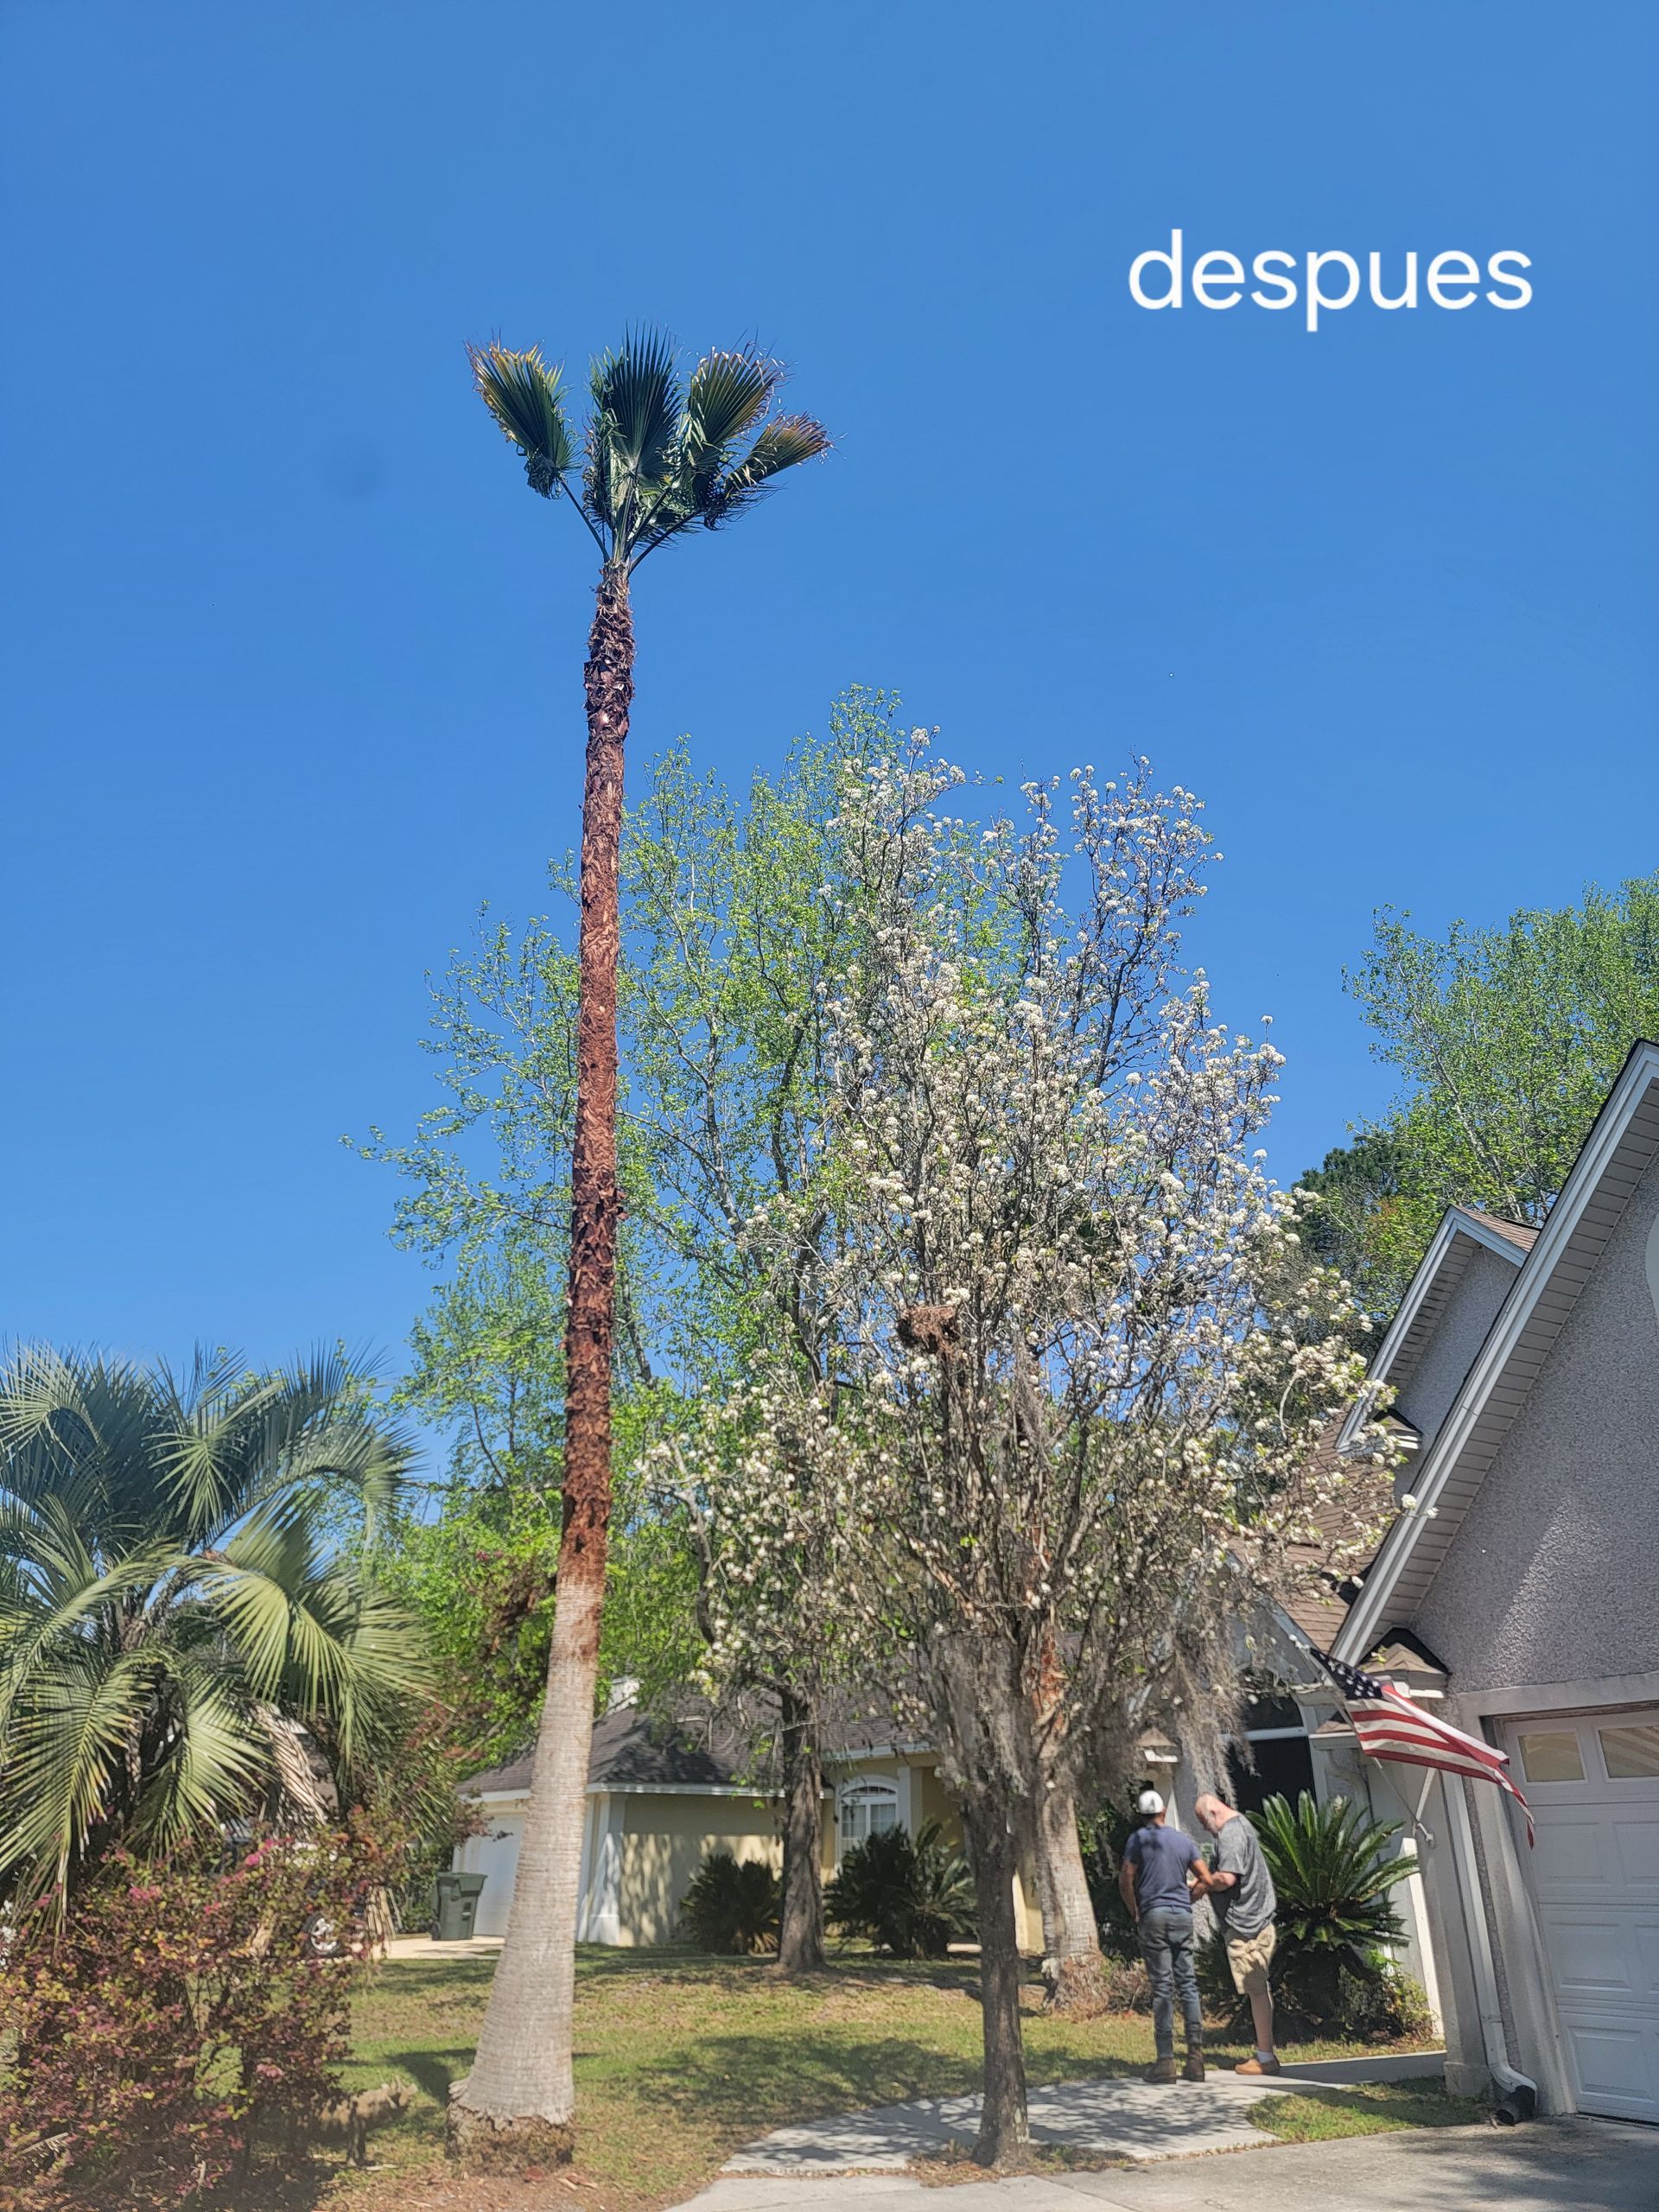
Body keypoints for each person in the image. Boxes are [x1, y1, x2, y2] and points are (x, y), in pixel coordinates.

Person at [1117, 1789, 1205, 2083]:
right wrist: (1189, 1897)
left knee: (1163, 1987)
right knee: (1188, 1984)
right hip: (1182, 1915)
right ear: (1164, 1812)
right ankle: (1195, 2059)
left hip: (1153, 1915)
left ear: (1142, 1815)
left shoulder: (1138, 1840)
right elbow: (1206, 1877)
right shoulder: (1183, 1841)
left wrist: (1135, 1909)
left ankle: (1166, 2060)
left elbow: (1127, 1876)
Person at [1193, 1792, 1280, 2075]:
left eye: (1206, 1825)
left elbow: (1228, 1878)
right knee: (1257, 1988)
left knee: (1256, 1988)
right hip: (1253, 1922)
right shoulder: (1241, 1826)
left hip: (1248, 1927)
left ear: (1214, 1814)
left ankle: (1265, 2057)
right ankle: (1265, 2053)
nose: (1208, 1831)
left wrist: (1204, 1882)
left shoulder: (1230, 1834)